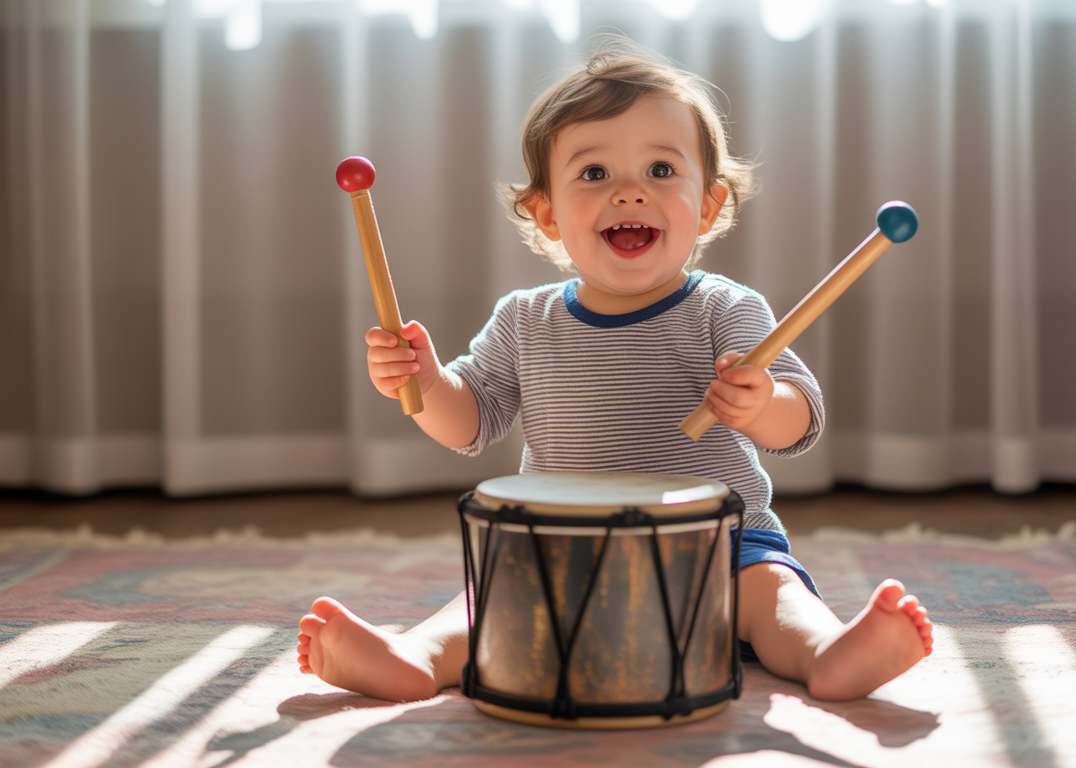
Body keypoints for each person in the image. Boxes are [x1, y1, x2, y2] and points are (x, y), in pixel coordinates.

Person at [298, 38, 932, 704]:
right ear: (547, 213)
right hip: (560, 550)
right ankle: (413, 658)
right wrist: (423, 383)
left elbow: (798, 419)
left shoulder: (725, 308)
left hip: (719, 544)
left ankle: (830, 654)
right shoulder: (523, 319)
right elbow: (471, 422)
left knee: (773, 597)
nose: (630, 193)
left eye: (661, 170)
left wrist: (764, 400)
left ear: (709, 206)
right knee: (487, 597)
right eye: (594, 174)